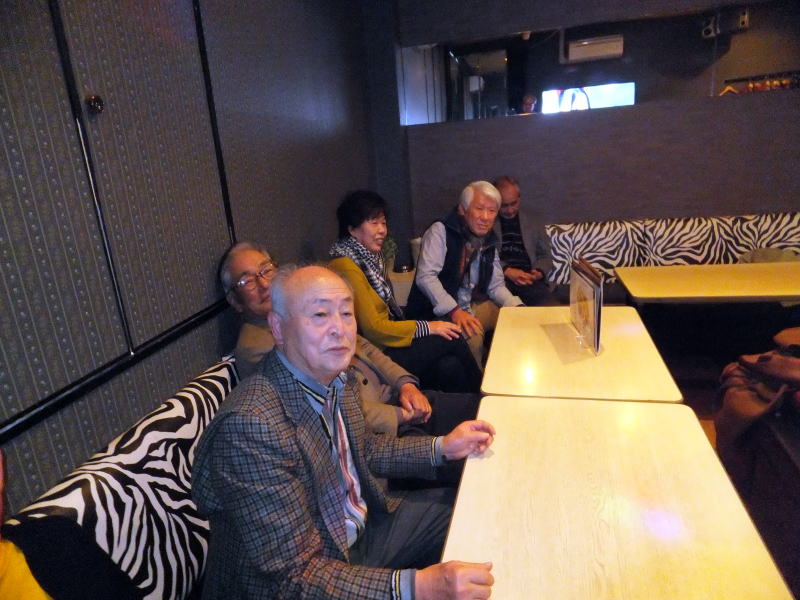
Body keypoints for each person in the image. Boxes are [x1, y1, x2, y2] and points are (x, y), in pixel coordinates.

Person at [192, 265, 495, 599]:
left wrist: (444, 447)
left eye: (346, 313)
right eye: (320, 315)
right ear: (278, 327)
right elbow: (293, 578)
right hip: (308, 572)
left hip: (362, 528)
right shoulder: (251, 426)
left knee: (469, 512)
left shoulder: (338, 379)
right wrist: (419, 586)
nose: (340, 329)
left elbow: (365, 450)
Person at [219, 242, 479, 441]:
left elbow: (365, 346)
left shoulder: (299, 311)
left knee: (465, 388)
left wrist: (406, 384)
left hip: (392, 398)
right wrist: (399, 416)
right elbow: (325, 407)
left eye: (266, 270)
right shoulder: (257, 347)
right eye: (246, 280)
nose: (263, 283)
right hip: (375, 431)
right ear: (234, 300)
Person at [329, 190, 481, 393]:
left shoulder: (368, 259)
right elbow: (374, 328)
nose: (382, 230)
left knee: (449, 367)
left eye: (383, 223)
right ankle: (484, 393)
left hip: (390, 342)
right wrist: (429, 327)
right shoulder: (347, 266)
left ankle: (470, 406)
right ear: (352, 229)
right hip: (377, 354)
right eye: (374, 223)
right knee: (453, 337)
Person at [406, 181, 522, 365]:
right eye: (479, 209)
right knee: (472, 336)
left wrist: (516, 307)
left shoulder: (489, 239)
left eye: (492, 211)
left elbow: (496, 286)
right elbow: (426, 277)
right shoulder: (441, 231)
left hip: (470, 306)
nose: (485, 217)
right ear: (463, 210)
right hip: (437, 313)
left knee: (513, 321)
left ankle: (507, 370)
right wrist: (454, 310)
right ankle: (478, 382)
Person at [493, 175, 558, 306]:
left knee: (549, 309)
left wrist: (537, 272)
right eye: (504, 206)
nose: (510, 210)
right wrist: (507, 270)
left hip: (529, 279)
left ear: (519, 199)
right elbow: (484, 257)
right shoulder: (488, 224)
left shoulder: (533, 222)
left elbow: (545, 256)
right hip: (500, 281)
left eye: (514, 203)